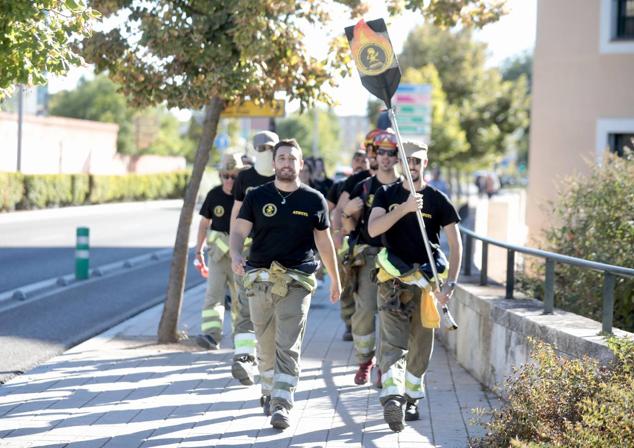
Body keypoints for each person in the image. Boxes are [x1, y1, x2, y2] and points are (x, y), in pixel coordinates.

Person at [229, 138, 341, 430]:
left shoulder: (313, 199)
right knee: (265, 346)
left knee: (287, 344)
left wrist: (335, 280)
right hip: (260, 279)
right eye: (282, 158)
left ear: (301, 165)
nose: (287, 163)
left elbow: (324, 242)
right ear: (274, 163)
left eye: (292, 158)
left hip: (296, 280)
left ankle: (282, 403)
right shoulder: (256, 195)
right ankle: (269, 390)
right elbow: (239, 230)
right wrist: (236, 254)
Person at [368, 141, 462, 432]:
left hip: (426, 285)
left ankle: (411, 397)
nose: (413, 165)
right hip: (393, 283)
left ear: (425, 163)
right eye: (407, 160)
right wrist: (406, 208)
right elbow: (373, 229)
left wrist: (451, 283)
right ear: (399, 163)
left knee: (421, 346)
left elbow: (456, 246)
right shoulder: (387, 194)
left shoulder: (438, 200)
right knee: (392, 342)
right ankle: (392, 397)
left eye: (418, 161)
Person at [341, 130, 400, 385]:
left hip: (398, 258)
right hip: (368, 257)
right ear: (374, 154)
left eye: (391, 152)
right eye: (381, 152)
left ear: (398, 157)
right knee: (364, 311)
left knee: (391, 314)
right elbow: (347, 226)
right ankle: (365, 361)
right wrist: (347, 213)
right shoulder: (363, 186)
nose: (385, 157)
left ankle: (386, 368)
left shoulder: (406, 186)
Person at [229, 130, 278, 385]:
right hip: (249, 251)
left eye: (268, 147)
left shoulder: (284, 175)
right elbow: (236, 215)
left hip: (277, 254)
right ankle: (244, 357)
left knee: (273, 307)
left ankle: (267, 360)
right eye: (259, 147)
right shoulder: (245, 178)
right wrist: (233, 250)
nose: (264, 151)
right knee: (245, 301)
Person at [194, 153, 245, 350]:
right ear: (220, 176)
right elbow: (203, 224)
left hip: (238, 255)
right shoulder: (214, 195)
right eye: (226, 176)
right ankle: (211, 336)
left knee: (241, 298)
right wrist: (198, 252)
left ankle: (241, 339)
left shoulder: (246, 197)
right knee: (213, 296)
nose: (230, 180)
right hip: (217, 256)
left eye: (234, 176)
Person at [326, 149, 369, 341]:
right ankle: (349, 325)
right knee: (347, 285)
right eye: (357, 159)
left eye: (364, 159)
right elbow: (328, 210)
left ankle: (363, 324)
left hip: (362, 241)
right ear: (351, 163)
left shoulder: (368, 185)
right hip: (344, 242)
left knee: (363, 287)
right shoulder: (341, 186)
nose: (360, 162)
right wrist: (335, 234)